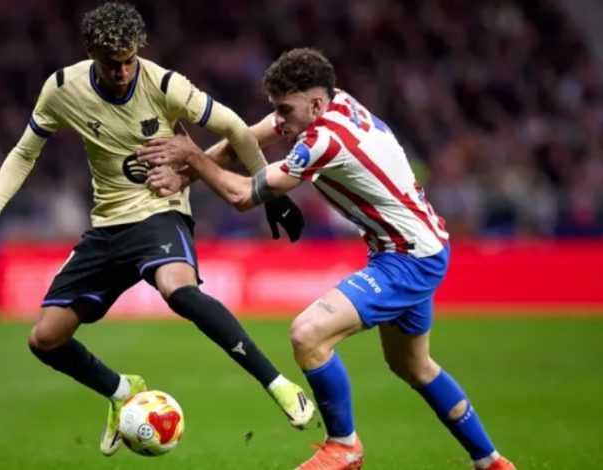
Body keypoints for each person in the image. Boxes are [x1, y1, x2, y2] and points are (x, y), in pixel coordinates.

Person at [137, 48, 515, 470]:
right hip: (419, 246)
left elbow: (242, 195)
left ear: (315, 104)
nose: (280, 121)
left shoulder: (325, 141)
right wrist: (187, 173)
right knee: (414, 366)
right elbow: (247, 138)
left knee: (309, 334)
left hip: (407, 259)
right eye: (276, 109)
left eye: (285, 110)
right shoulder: (333, 104)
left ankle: (343, 445)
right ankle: (491, 461)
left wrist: (191, 157)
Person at [0, 3, 314, 457]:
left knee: (179, 292)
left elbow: (233, 127)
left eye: (130, 60)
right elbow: (24, 152)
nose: (123, 71)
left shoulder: (164, 84)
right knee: (44, 339)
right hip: (107, 226)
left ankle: (277, 384)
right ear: (91, 53)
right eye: (113, 63)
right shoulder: (62, 88)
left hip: (159, 210)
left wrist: (271, 192)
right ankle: (120, 391)